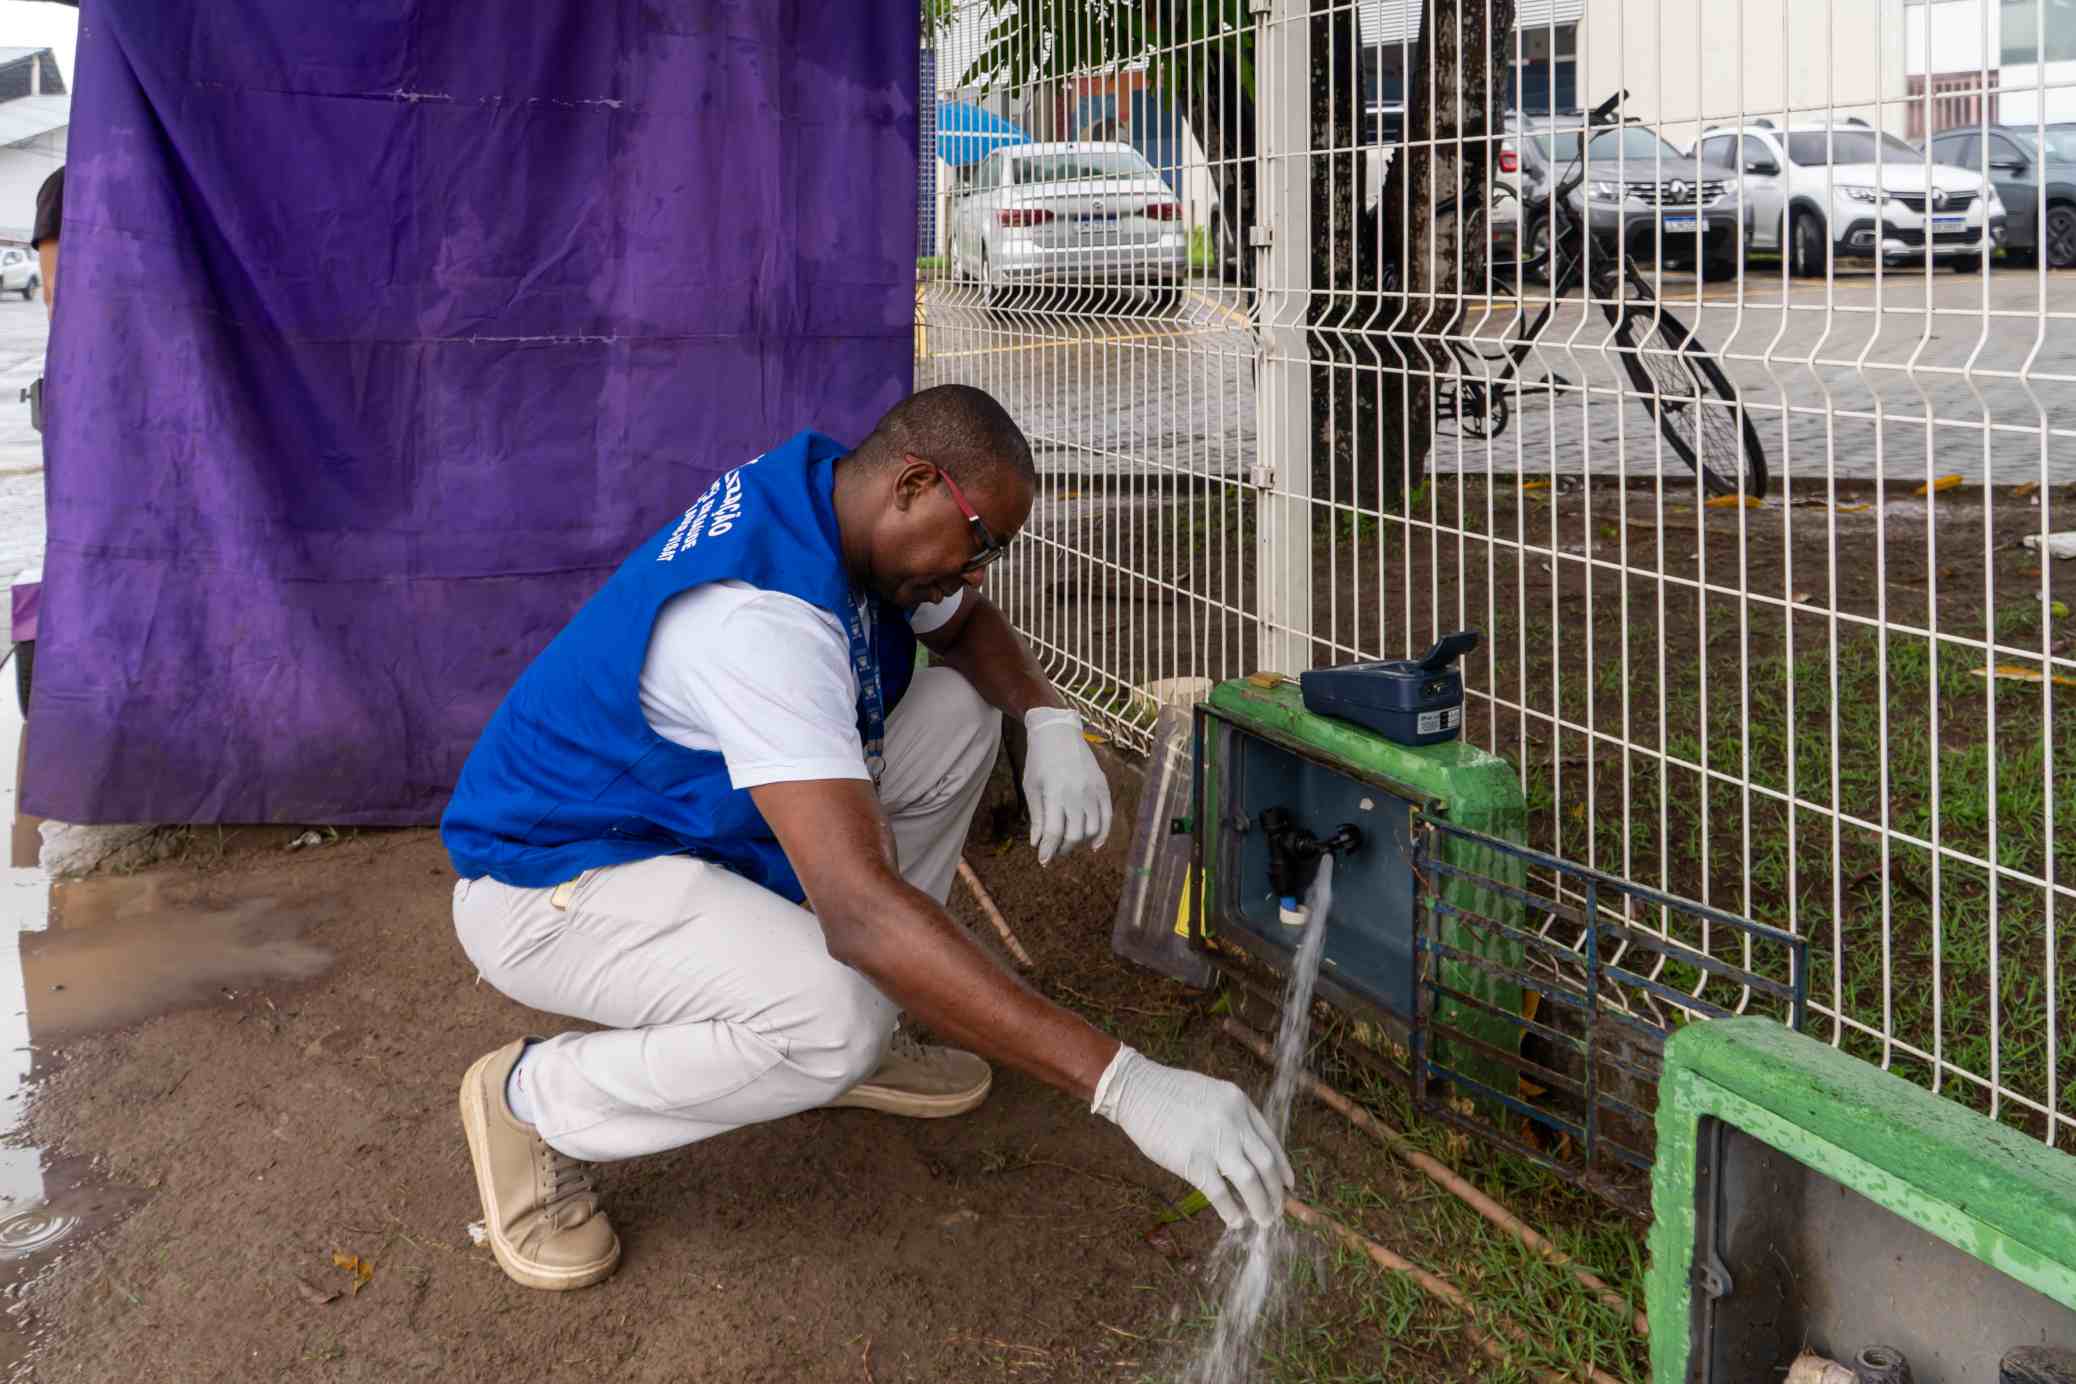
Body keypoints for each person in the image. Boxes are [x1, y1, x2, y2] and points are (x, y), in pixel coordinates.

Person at [441, 384, 1292, 1292]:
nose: (977, 574)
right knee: (833, 1013)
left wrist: (1047, 717)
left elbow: (967, 631)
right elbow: (858, 913)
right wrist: (1125, 1084)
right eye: (980, 543)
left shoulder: (834, 499)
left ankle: (869, 1019)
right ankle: (532, 1101)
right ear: (915, 485)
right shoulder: (761, 622)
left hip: (683, 826)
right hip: (551, 884)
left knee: (963, 713)